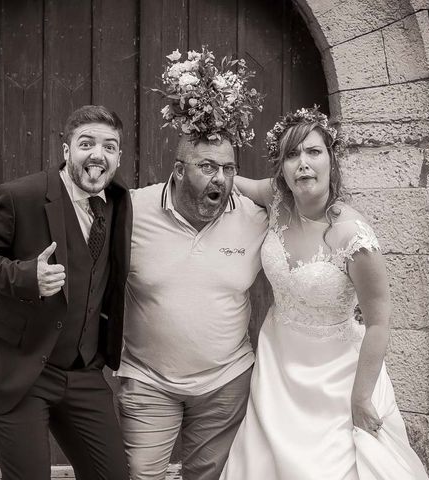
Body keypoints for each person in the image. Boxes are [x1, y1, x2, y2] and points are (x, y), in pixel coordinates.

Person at [219, 107, 429, 480]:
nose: (303, 164)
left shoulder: (354, 237)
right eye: (292, 155)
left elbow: (379, 323)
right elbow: (233, 182)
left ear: (332, 160)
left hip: (336, 376)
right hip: (277, 363)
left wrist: (361, 397)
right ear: (281, 167)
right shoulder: (276, 200)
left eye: (313, 152)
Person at [0, 105, 131, 480]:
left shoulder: (119, 201)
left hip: (84, 372)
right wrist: (24, 276)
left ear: (118, 157)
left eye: (109, 146)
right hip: (21, 368)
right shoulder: (22, 196)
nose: (98, 154)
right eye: (86, 143)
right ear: (66, 152)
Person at [115, 47, 268, 480]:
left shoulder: (253, 216)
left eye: (228, 169)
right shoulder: (131, 211)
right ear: (179, 172)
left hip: (225, 382)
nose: (220, 179)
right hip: (148, 379)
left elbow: (304, 193)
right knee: (141, 475)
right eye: (207, 167)